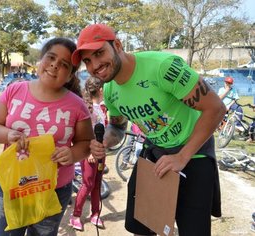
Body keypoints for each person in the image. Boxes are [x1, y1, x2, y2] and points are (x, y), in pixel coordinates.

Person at [72, 24, 226, 236]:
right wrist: (105, 142)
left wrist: (182, 156)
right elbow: (117, 127)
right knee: (144, 225)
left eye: (99, 53)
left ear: (117, 45)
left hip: (193, 152)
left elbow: (216, 108)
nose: (94, 65)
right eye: (87, 61)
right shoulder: (109, 88)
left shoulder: (163, 67)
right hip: (155, 153)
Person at [0, 37, 94, 236]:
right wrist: (8, 134)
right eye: (50, 57)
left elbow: (86, 143)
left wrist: (72, 154)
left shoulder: (77, 105)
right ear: (40, 61)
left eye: (64, 65)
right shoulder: (15, 90)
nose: (54, 65)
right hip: (13, 186)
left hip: (54, 189)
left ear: (70, 76)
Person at [70, 76, 106, 231]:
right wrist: (89, 152)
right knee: (88, 183)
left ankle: (95, 214)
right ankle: (76, 216)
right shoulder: (83, 113)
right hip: (88, 155)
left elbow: (104, 132)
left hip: (101, 153)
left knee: (97, 183)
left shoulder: (99, 110)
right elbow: (79, 137)